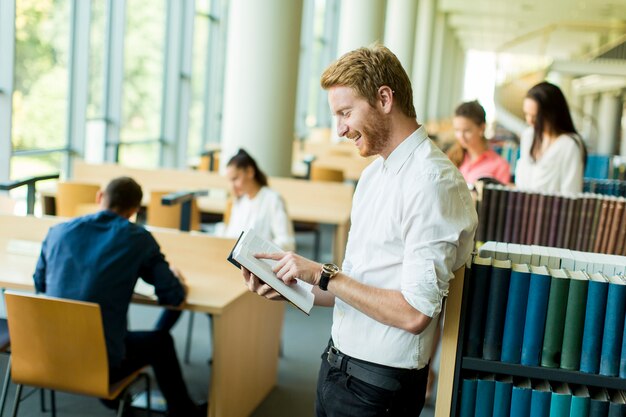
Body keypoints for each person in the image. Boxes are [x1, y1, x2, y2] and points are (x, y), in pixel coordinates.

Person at [242, 44, 478, 417]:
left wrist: (321, 274)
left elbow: (415, 313)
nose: (340, 130)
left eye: (346, 112)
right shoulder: (372, 176)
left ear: (384, 98)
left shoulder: (433, 182)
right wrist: (290, 286)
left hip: (379, 388)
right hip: (337, 364)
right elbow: (356, 285)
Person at [33, 177, 205, 417]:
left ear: (99, 197)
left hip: (46, 355)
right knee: (161, 341)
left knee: (108, 327)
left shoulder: (58, 231)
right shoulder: (137, 239)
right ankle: (185, 413)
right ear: (135, 210)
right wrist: (174, 275)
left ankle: (119, 403)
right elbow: (173, 296)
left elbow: (39, 283)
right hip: (100, 364)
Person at [154, 149, 295, 332]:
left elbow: (287, 243)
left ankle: (159, 337)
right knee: (186, 286)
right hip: (230, 267)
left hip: (255, 273)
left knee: (206, 292)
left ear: (250, 172)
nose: (232, 186)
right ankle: (158, 335)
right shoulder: (240, 201)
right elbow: (230, 235)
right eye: (229, 180)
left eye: (235, 179)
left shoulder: (272, 200)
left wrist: (259, 252)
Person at [515, 81, 587, 193]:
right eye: (526, 114)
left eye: (536, 116)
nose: (530, 120)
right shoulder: (528, 136)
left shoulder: (570, 145)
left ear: (552, 113)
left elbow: (571, 194)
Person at [447, 100, 511, 185]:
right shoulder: (451, 158)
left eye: (467, 131)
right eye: (457, 130)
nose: (461, 136)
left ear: (482, 128)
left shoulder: (500, 165)